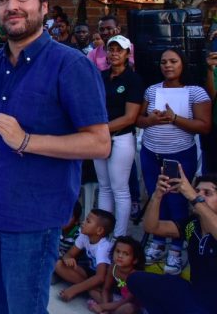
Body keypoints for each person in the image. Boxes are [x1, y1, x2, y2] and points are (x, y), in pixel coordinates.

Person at [0, 0, 110, 314]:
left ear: (44, 7)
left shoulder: (70, 66)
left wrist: (26, 141)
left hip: (32, 221)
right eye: (3, 0)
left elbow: (99, 143)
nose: (12, 7)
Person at [135, 47, 211, 274]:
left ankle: (178, 247)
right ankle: (158, 241)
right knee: (157, 197)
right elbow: (138, 120)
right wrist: (150, 121)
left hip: (178, 155)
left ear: (183, 64)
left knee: (177, 202)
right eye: (163, 62)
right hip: (150, 153)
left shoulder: (195, 92)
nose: (167, 65)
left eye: (173, 61)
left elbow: (204, 126)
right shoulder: (152, 90)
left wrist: (175, 118)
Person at [127, 169, 217, 314]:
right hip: (194, 294)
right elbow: (152, 227)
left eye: (207, 193)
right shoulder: (192, 225)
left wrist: (193, 196)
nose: (200, 195)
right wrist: (157, 195)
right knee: (136, 280)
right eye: (197, 191)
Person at [92, 35, 144, 238]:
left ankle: (120, 236)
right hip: (100, 138)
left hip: (121, 138)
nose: (114, 53)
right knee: (104, 188)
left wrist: (100, 130)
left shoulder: (133, 80)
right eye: (110, 49)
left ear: (127, 54)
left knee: (120, 190)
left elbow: (130, 117)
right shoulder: (101, 76)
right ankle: (103, 236)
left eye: (119, 50)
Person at [54, 208, 115, 302]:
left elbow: (100, 277)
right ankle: (88, 288)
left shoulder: (103, 247)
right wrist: (67, 259)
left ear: (99, 230)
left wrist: (73, 290)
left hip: (104, 280)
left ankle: (87, 289)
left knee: (99, 297)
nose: (83, 222)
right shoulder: (84, 236)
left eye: (88, 221)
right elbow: (69, 254)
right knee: (58, 265)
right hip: (87, 274)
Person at [87, 236, 144, 314]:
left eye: (125, 254)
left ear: (135, 260)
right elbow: (106, 289)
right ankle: (109, 311)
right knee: (92, 290)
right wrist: (105, 306)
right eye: (117, 251)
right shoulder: (113, 267)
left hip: (130, 303)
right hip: (118, 298)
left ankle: (107, 310)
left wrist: (102, 307)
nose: (120, 256)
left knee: (129, 308)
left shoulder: (136, 276)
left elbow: (127, 300)